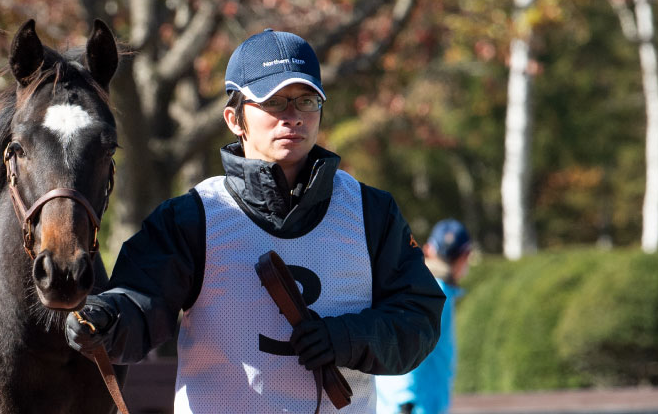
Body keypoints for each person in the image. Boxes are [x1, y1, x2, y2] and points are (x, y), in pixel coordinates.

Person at [64, 29, 445, 413]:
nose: (292, 116)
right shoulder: (190, 218)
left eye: (307, 100)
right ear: (234, 118)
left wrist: (344, 337)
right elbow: (140, 304)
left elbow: (419, 320)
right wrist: (107, 318)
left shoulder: (371, 212)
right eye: (274, 102)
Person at [375, 220, 472, 414]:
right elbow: (406, 345)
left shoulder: (418, 285)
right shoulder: (436, 293)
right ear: (465, 256)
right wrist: (405, 401)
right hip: (412, 406)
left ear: (428, 249)